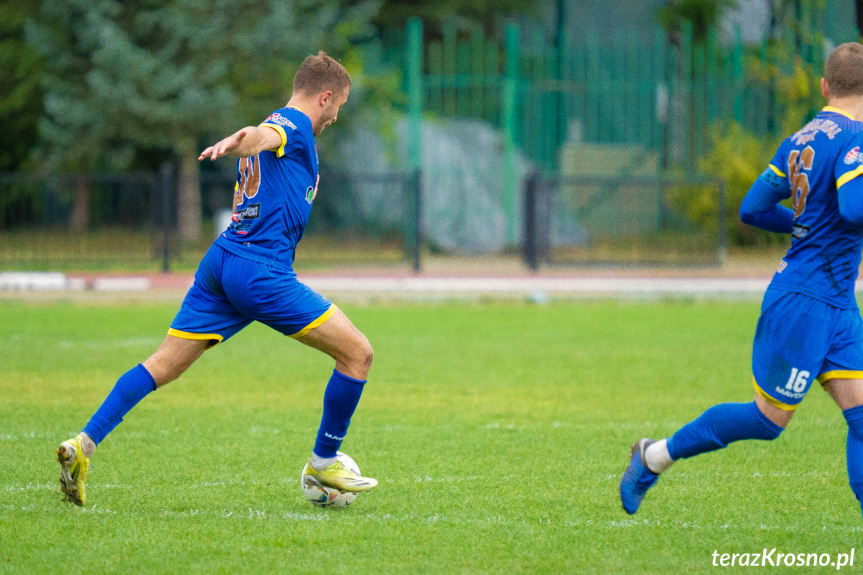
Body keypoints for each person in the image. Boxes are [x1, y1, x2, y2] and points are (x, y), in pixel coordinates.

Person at [57, 51, 378, 506]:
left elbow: (265, 135)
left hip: (221, 261)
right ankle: (324, 463)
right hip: (259, 271)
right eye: (339, 105)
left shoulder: (279, 120)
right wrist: (241, 140)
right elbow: (264, 137)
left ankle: (82, 445)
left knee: (163, 364)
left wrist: (246, 137)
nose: (336, 116)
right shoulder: (294, 126)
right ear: (325, 97)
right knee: (358, 355)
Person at [620, 42, 863, 517]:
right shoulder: (856, 139)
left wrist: (801, 225)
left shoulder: (800, 138)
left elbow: (752, 209)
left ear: (824, 86)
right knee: (768, 420)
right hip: (806, 299)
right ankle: (652, 456)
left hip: (833, 300)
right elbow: (854, 208)